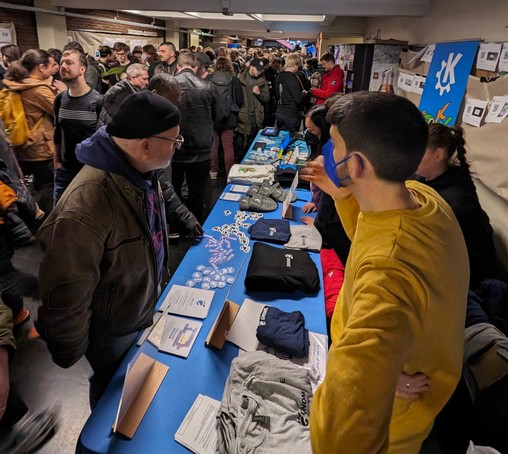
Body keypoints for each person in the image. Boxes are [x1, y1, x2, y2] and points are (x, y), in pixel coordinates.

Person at [303, 92, 469, 453]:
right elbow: (370, 234)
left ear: (357, 164)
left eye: (333, 144)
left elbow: (338, 437)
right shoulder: (421, 198)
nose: (327, 153)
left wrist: (379, 373)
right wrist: (342, 194)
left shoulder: (388, 272)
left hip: (396, 430)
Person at [36, 92, 181, 408]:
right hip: (114, 328)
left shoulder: (140, 170)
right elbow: (66, 292)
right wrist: (70, 349)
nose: (176, 146)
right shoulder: (86, 206)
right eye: (173, 140)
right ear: (145, 145)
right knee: (111, 396)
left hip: (138, 307)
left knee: (131, 384)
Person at [416, 123, 498, 289]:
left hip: (468, 280)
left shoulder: (457, 202)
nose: (410, 156)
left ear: (438, 155)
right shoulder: (422, 179)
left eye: (417, 152)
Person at [147, 73, 204, 238]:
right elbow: (162, 184)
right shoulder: (147, 129)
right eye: (172, 103)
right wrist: (187, 219)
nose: (175, 109)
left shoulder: (158, 119)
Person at [2, 49, 57, 214]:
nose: (55, 68)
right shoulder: (38, 89)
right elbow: (58, 108)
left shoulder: (14, 83)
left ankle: (27, 214)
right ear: (41, 67)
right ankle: (44, 220)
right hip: (40, 148)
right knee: (47, 186)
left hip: (19, 145)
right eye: (51, 65)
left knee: (24, 185)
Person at [53, 49, 102, 204]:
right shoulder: (60, 99)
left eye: (69, 63)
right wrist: (57, 161)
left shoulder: (97, 101)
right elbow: (57, 132)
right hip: (64, 171)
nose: (63, 66)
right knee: (58, 214)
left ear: (82, 70)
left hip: (89, 171)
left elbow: (102, 139)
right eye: (61, 63)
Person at [173, 52, 216, 223]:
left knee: (173, 190)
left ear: (178, 67)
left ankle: (175, 228)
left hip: (174, 144)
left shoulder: (169, 86)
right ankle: (195, 225)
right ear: (196, 67)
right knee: (197, 191)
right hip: (201, 145)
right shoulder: (207, 86)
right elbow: (217, 114)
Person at [209, 57, 243, 179]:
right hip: (229, 116)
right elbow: (239, 100)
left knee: (214, 145)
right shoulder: (234, 80)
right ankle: (229, 173)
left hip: (213, 116)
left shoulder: (210, 78)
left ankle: (213, 171)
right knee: (228, 145)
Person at [235, 57, 269, 161]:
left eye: (261, 70)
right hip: (242, 116)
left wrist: (259, 94)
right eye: (258, 70)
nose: (259, 72)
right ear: (251, 67)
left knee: (253, 144)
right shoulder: (239, 79)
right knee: (239, 145)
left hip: (256, 117)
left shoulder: (262, 81)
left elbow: (267, 98)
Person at [274, 53, 307, 133]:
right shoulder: (292, 79)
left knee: (280, 136)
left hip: (279, 111)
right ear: (295, 64)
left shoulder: (279, 76)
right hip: (290, 114)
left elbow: (276, 95)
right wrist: (303, 94)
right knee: (290, 139)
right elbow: (298, 99)